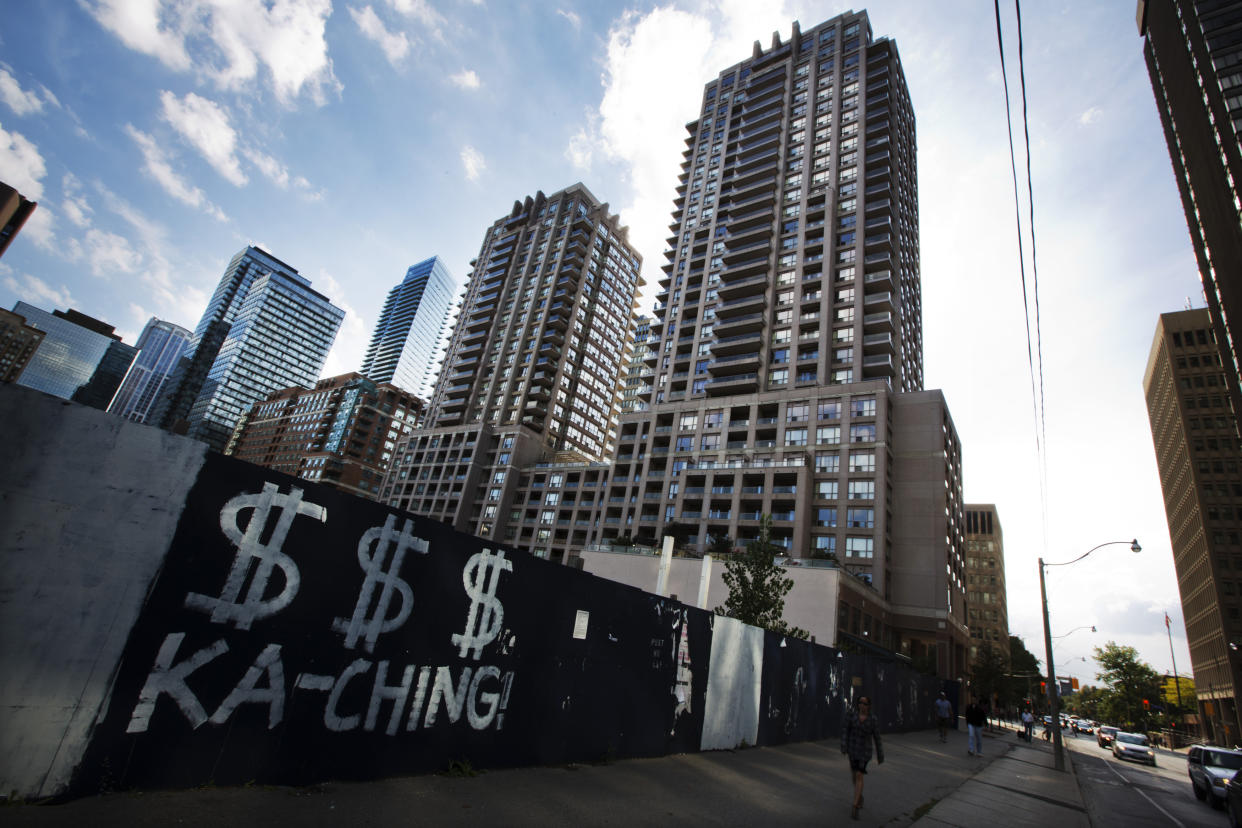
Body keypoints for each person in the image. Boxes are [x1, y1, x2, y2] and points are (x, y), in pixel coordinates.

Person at [841, 695, 884, 820]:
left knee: (859, 775)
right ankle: (859, 796)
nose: (862, 705)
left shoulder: (872, 720)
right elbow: (845, 730)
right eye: (860, 702)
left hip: (864, 753)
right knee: (854, 776)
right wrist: (844, 745)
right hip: (853, 750)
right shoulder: (851, 716)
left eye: (865, 703)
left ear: (869, 706)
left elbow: (877, 738)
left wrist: (880, 755)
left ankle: (855, 806)